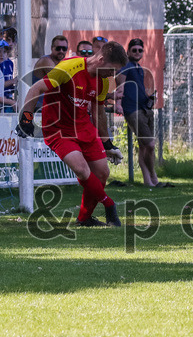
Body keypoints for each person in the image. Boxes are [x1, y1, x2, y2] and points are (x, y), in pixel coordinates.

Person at [15, 41, 129, 226]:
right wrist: (26, 119)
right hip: (58, 129)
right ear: (100, 59)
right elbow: (37, 88)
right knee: (81, 170)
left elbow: (98, 111)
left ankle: (84, 219)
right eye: (112, 69)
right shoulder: (69, 67)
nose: (113, 75)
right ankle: (109, 204)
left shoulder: (103, 80)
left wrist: (108, 143)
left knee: (102, 174)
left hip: (84, 128)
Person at [115, 38, 168, 187]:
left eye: (140, 50)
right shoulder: (125, 66)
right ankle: (153, 176)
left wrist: (149, 97)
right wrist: (118, 103)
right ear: (128, 52)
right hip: (132, 109)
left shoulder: (138, 68)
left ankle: (148, 181)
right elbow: (120, 85)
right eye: (134, 50)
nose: (137, 53)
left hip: (145, 108)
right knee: (150, 144)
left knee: (144, 146)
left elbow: (139, 87)